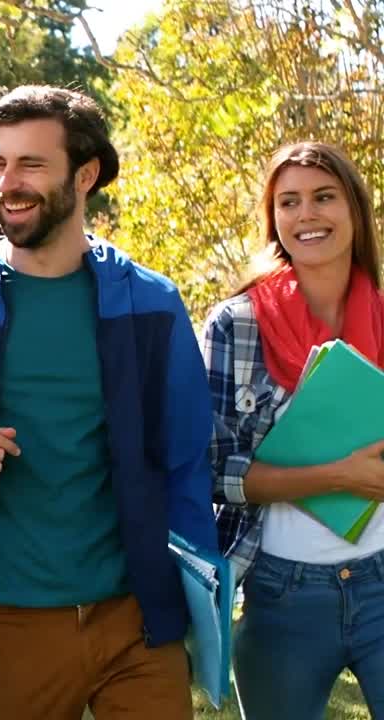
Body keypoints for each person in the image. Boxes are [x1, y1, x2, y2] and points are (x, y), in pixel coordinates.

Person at [0, 85, 218, 720]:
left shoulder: (151, 303)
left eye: (31, 165)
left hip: (138, 618)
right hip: (13, 619)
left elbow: (184, 463)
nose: (8, 183)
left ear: (86, 174)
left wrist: (187, 604)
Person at [201, 141, 384, 719]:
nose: (307, 215)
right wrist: (338, 476)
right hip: (281, 590)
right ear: (273, 218)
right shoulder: (235, 323)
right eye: (289, 202)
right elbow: (211, 468)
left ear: (353, 209)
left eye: (324, 197)